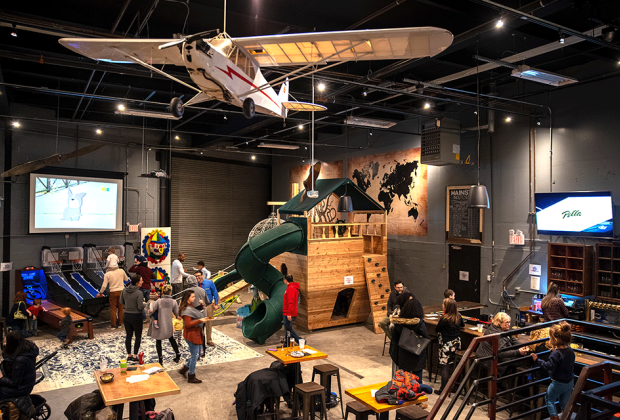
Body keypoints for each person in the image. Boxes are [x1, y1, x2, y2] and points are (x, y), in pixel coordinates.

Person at [388, 291, 432, 394]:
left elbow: (394, 337)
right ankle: (417, 397)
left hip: (403, 354)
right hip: (417, 353)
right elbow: (426, 337)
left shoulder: (399, 323)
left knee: (404, 379)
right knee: (417, 378)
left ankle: (405, 394)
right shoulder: (420, 323)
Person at [531, 321, 575, 420]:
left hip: (558, 382)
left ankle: (554, 417)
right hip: (569, 381)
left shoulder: (556, 354)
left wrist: (537, 360)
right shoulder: (570, 350)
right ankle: (568, 417)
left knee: (549, 399)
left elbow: (549, 366)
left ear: (555, 340)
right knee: (564, 403)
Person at [476, 312, 529, 376]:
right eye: (506, 322)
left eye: (509, 322)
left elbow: (514, 341)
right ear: (499, 323)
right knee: (523, 360)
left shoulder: (500, 328)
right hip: (491, 360)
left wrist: (523, 346)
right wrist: (518, 352)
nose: (509, 324)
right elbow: (501, 353)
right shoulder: (497, 334)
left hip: (488, 356)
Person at [178, 290, 210, 383]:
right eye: (192, 297)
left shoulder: (190, 307)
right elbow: (188, 324)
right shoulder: (187, 310)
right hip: (191, 334)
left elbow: (198, 313)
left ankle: (184, 369)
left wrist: (202, 306)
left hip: (196, 332)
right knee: (194, 355)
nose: (194, 298)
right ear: (187, 299)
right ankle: (191, 376)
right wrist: (200, 320)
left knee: (198, 354)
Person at [434, 298, 464, 394]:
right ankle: (456, 386)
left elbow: (437, 329)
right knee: (456, 365)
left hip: (446, 345)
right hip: (456, 343)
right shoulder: (458, 316)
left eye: (444, 304)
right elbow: (463, 325)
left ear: (447, 307)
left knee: (445, 366)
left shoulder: (445, 318)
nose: (442, 305)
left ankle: (444, 389)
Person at [147, 285, 181, 366]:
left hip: (159, 323)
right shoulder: (173, 302)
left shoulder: (158, 301)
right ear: (171, 292)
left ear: (163, 292)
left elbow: (151, 311)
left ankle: (160, 359)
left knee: (158, 340)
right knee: (171, 339)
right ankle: (177, 354)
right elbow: (177, 314)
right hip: (168, 323)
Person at [0, 331, 39, 399]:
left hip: (20, 389)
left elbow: (15, 383)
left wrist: (1, 378)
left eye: (6, 342)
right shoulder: (25, 349)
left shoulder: (19, 360)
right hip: (24, 383)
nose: (4, 344)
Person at [120, 275, 146, 362]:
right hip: (136, 316)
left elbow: (121, 301)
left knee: (129, 336)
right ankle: (135, 356)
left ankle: (129, 355)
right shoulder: (139, 293)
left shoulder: (124, 290)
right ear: (137, 283)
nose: (142, 282)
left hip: (126, 315)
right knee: (138, 336)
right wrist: (144, 304)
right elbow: (140, 307)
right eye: (141, 281)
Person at [195, 271, 218, 347]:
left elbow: (215, 292)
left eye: (198, 275)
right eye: (195, 276)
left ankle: (209, 340)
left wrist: (216, 304)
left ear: (202, 275)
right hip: (198, 307)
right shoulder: (195, 285)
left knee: (208, 323)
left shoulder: (209, 283)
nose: (197, 277)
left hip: (208, 306)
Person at [282, 274, 301, 343]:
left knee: (288, 330)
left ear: (286, 280)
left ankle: (299, 340)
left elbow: (291, 301)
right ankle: (287, 343)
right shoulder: (291, 287)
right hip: (288, 312)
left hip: (289, 312)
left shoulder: (291, 289)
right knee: (287, 330)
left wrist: (289, 313)